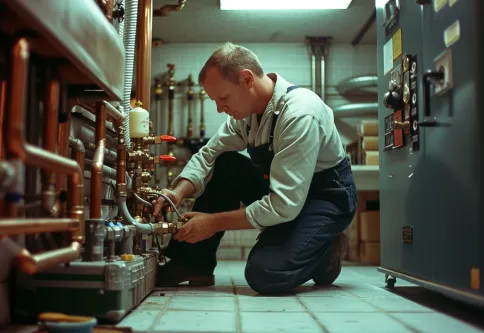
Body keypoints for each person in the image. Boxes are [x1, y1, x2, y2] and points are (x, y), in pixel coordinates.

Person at [152, 42, 357, 295]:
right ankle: (192, 264)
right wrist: (177, 193)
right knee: (225, 163)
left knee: (265, 274)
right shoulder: (246, 115)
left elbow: (284, 204)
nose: (219, 108)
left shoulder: (300, 114)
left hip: (324, 198)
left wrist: (213, 223)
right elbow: (209, 154)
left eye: (223, 98)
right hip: (286, 195)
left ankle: (325, 249)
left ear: (246, 79)